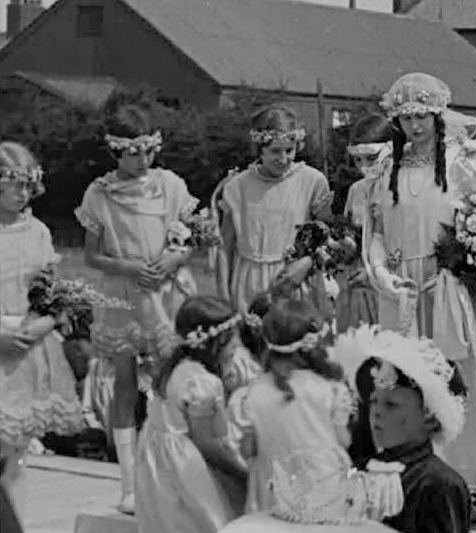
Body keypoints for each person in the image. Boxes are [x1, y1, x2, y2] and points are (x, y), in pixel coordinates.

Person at [364, 72, 476, 529]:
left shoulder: (462, 163)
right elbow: (375, 233)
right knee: (406, 382)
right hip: (401, 291)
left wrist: (465, 269)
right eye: (406, 118)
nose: (415, 127)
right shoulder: (385, 167)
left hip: (447, 289)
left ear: (438, 116)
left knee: (462, 379)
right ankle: (412, 483)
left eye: (423, 117)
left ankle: (471, 481)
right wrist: (381, 274)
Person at [75, 105, 199, 513]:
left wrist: (173, 258)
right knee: (125, 382)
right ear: (116, 151)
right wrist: (129, 267)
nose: (143, 160)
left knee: (171, 377)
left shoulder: (170, 185)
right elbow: (92, 255)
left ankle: (177, 475)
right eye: (134, 153)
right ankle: (128, 483)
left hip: (166, 293)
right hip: (124, 296)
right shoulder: (99, 194)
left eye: (148, 151)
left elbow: (190, 239)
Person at [331, 325, 472, 533]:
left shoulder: (439, 484)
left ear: (429, 418)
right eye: (374, 401)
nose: (376, 412)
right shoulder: (363, 469)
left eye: (391, 404)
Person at [0, 142, 84, 488]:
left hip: (28, 345)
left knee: (15, 451)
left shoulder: (39, 231)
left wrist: (43, 325)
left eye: (28, 185)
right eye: (15, 185)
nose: (23, 193)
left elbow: (53, 294)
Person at [135, 295, 247, 533]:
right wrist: (241, 472)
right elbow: (206, 443)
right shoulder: (201, 383)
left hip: (156, 464)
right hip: (183, 469)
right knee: (200, 521)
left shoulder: (176, 364)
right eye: (230, 340)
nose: (236, 346)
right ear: (211, 343)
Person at [229, 298, 351, 512]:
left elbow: (248, 449)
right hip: (325, 486)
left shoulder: (250, 395)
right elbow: (343, 440)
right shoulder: (330, 389)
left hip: (274, 491)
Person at [216, 104, 333, 311]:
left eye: (289, 150)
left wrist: (307, 263)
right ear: (259, 149)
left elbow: (327, 236)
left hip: (294, 281)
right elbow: (225, 246)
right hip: (250, 284)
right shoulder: (237, 187)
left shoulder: (313, 181)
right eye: (275, 151)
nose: (283, 159)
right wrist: (223, 297)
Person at [336, 113, 388, 331]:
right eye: (358, 160)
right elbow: (352, 233)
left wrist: (373, 271)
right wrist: (344, 246)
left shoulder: (398, 188)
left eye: (371, 158)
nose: (364, 166)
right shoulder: (356, 190)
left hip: (387, 277)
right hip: (358, 277)